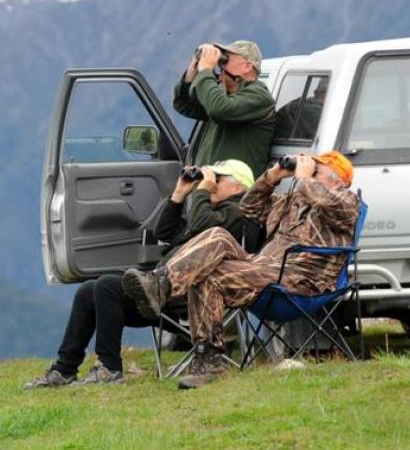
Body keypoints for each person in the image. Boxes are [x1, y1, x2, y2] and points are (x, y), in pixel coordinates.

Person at [122, 151, 360, 390]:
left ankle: (203, 350)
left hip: (300, 281)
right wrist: (273, 176)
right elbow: (249, 207)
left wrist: (305, 179)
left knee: (212, 275)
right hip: (265, 268)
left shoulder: (347, 200)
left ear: (337, 180)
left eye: (316, 170)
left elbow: (327, 203)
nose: (308, 172)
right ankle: (165, 290)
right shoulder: (292, 201)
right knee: (218, 236)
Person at [23, 160, 255, 389]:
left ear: (239, 187)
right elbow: (164, 231)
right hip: (160, 293)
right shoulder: (207, 212)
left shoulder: (236, 213)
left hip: (188, 298)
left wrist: (203, 190)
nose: (211, 183)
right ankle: (65, 369)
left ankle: (109, 368)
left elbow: (203, 224)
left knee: (106, 287)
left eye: (218, 179)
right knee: (88, 291)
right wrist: (179, 194)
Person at [174, 40, 276, 180]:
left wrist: (205, 71)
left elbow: (220, 109)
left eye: (225, 59)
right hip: (209, 189)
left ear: (247, 66)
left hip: (233, 193)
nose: (220, 64)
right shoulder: (222, 96)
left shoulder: (259, 97)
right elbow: (183, 103)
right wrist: (194, 68)